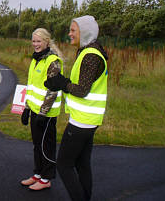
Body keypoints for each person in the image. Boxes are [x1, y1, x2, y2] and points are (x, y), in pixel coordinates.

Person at [45, 15, 108, 201]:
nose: (69, 34)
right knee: (82, 164)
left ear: (85, 32)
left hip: (82, 121)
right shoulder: (89, 51)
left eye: (73, 30)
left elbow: (81, 90)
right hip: (88, 120)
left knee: (64, 165)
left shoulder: (90, 55)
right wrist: (62, 83)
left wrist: (62, 83)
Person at [20, 28, 64, 191]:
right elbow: (31, 87)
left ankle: (46, 178)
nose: (36, 44)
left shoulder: (52, 61)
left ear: (46, 41)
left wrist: (43, 113)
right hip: (34, 111)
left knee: (46, 146)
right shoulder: (35, 60)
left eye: (39, 41)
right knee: (37, 145)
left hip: (46, 114)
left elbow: (52, 90)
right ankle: (38, 174)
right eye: (33, 41)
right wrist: (26, 108)